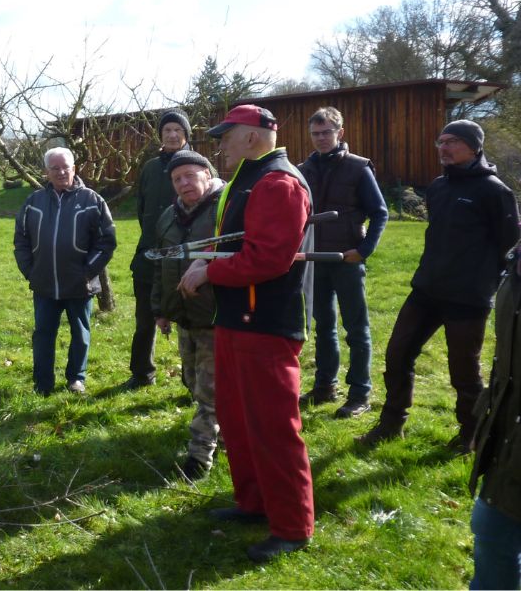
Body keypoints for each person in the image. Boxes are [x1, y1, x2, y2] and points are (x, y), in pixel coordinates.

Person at [181, 104, 315, 562]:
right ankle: (256, 504)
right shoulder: (249, 179)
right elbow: (238, 245)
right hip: (235, 321)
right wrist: (209, 259)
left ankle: (293, 526)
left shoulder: (278, 182)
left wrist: (209, 272)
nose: (219, 145)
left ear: (253, 137)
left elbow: (267, 260)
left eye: (226, 135)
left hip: (266, 326)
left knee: (274, 428)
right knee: (239, 422)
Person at [359, 120, 519, 452]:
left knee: (464, 372)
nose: (443, 148)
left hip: (468, 298)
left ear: (474, 147)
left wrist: (489, 287)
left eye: (453, 142)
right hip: (427, 290)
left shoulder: (495, 191)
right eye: (440, 142)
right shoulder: (438, 187)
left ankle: (470, 437)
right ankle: (391, 424)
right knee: (398, 353)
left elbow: (510, 247)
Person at [297, 107, 388, 418]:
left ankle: (360, 393)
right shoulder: (303, 169)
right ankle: (325, 386)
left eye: (327, 132)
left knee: (356, 328)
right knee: (323, 327)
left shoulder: (358, 168)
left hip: (347, 259)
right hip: (315, 259)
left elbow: (379, 212)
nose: (321, 138)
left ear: (340, 133)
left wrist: (364, 250)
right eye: (316, 133)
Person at [14, 147, 116, 396]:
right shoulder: (33, 202)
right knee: (43, 334)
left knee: (80, 334)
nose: (61, 172)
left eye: (65, 167)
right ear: (46, 172)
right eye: (55, 168)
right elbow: (21, 240)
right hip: (45, 284)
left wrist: (87, 271)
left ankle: (76, 379)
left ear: (74, 169)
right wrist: (31, 271)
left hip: (80, 285)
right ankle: (43, 383)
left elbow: (106, 241)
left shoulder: (93, 200)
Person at [150, 150, 225, 480]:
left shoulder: (225, 210)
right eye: (177, 179)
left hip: (216, 315)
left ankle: (199, 458)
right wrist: (161, 309)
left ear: (207, 175)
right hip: (183, 315)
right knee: (193, 382)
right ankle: (225, 433)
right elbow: (161, 264)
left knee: (209, 389)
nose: (184, 183)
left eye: (190, 176)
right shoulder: (168, 216)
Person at [468, 245, 521, 590]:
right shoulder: (515, 259)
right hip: (508, 429)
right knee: (493, 530)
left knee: (494, 530)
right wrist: (488, 419)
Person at [127, 109, 191, 389]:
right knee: (144, 321)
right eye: (167, 131)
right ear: (161, 135)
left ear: (186, 135)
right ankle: (142, 373)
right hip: (149, 256)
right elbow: (142, 210)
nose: (173, 135)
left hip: (187, 259)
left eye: (178, 130)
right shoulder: (151, 168)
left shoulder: (198, 166)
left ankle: (193, 380)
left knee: (192, 324)